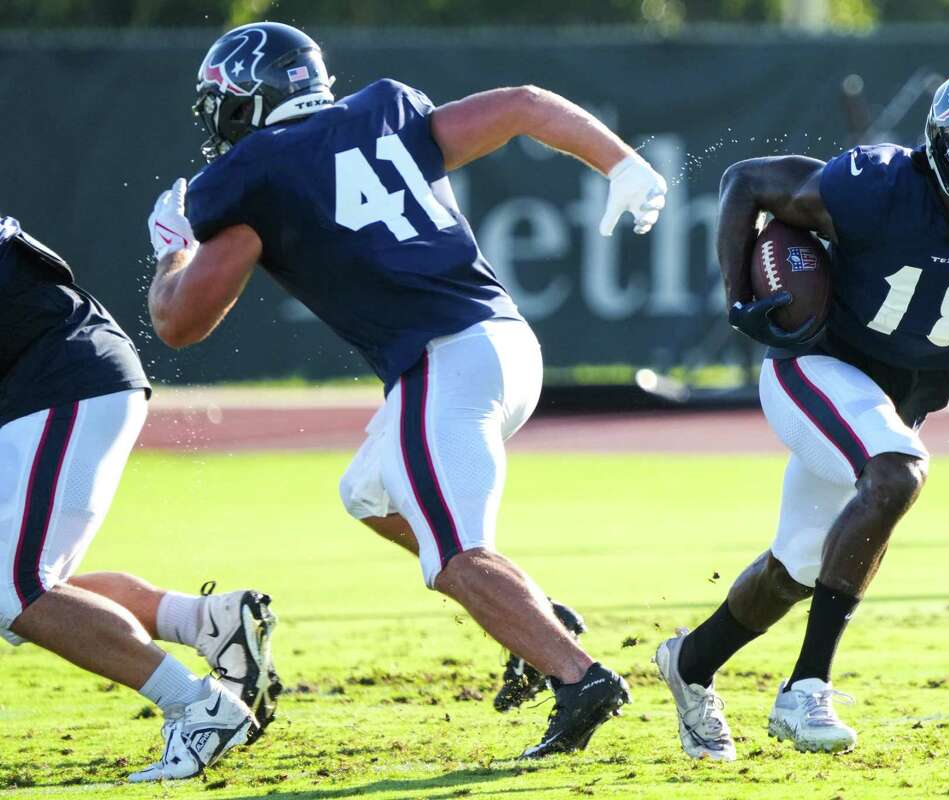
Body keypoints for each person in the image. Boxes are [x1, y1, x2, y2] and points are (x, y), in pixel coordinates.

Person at [145, 21, 667, 758]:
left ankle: (579, 677)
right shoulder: (383, 106)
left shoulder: (249, 171)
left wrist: (172, 251)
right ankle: (537, 616)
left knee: (454, 556)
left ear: (245, 100)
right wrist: (621, 162)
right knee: (370, 493)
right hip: (507, 344)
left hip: (445, 361)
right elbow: (521, 102)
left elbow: (177, 325)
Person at [654, 63, 949, 760]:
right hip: (817, 366)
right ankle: (805, 689)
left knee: (801, 564)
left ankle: (689, 664)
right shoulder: (879, 186)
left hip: (897, 398)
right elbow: (747, 182)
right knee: (898, 472)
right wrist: (735, 303)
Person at [0, 216, 280, 782]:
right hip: (52, 385)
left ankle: (197, 704)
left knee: (16, 585)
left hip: (63, 383)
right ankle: (205, 621)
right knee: (21, 589)